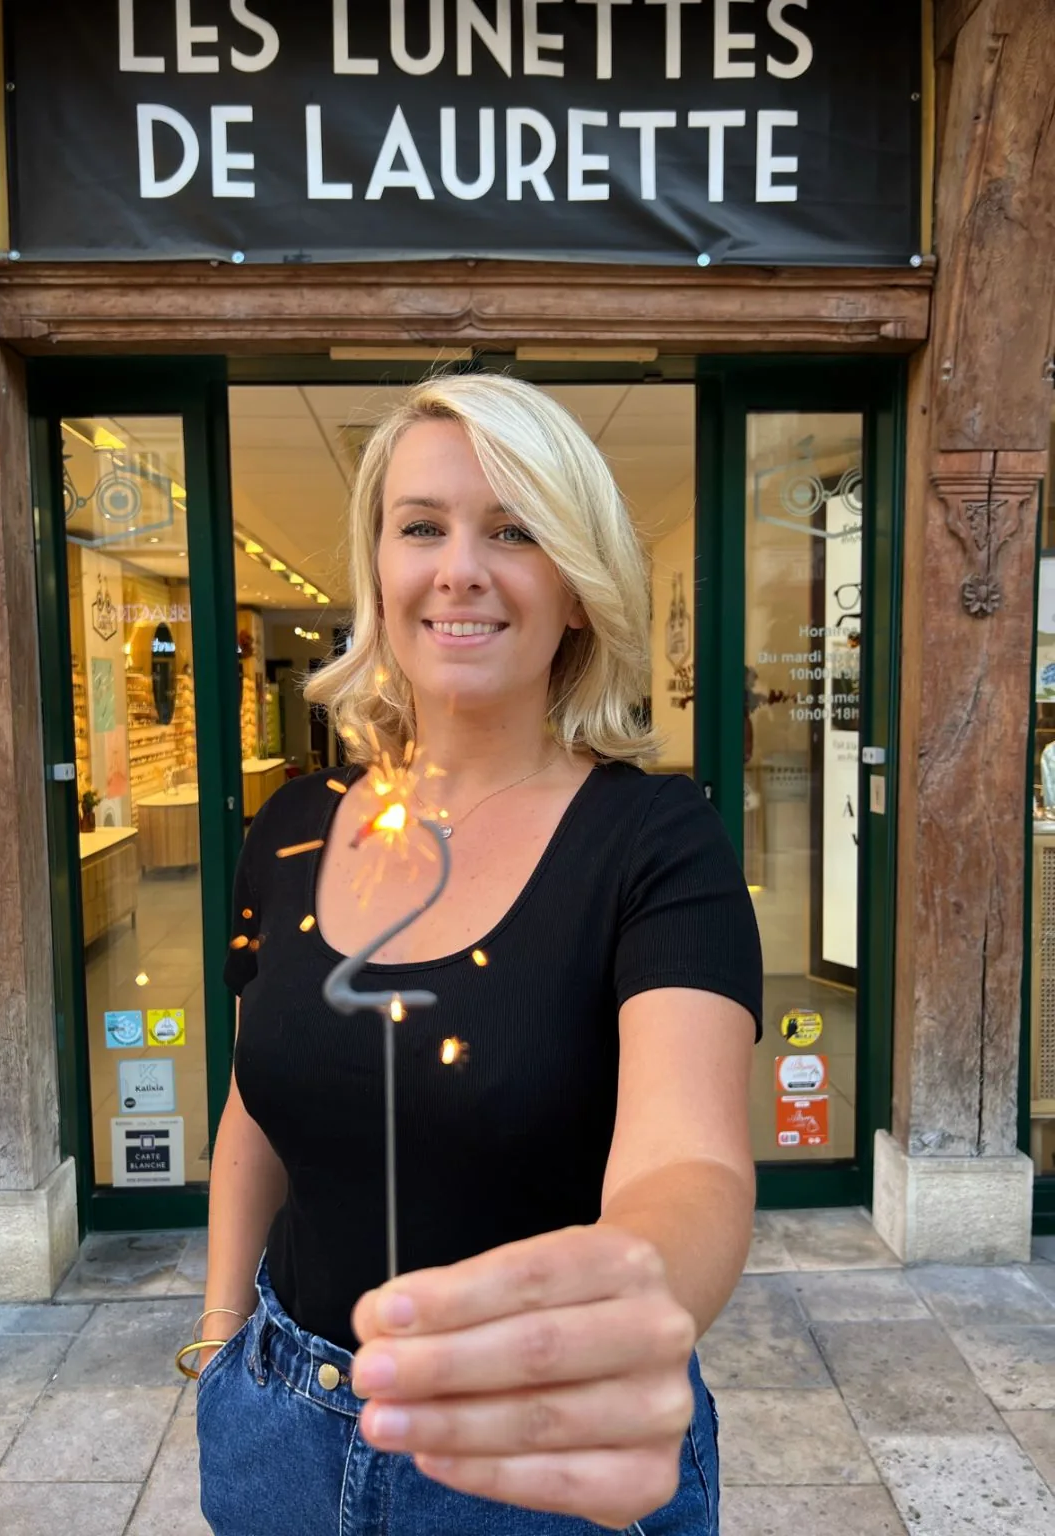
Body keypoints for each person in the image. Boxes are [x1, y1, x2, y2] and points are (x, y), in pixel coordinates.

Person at [192, 373, 762, 1535]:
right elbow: (256, 1106)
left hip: (535, 1452)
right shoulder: (292, 826)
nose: (459, 568)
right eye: (422, 528)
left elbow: (688, 1164)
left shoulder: (656, 842)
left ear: (578, 589)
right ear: (379, 572)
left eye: (514, 530)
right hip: (277, 1431)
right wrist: (216, 1341)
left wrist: (621, 1313)